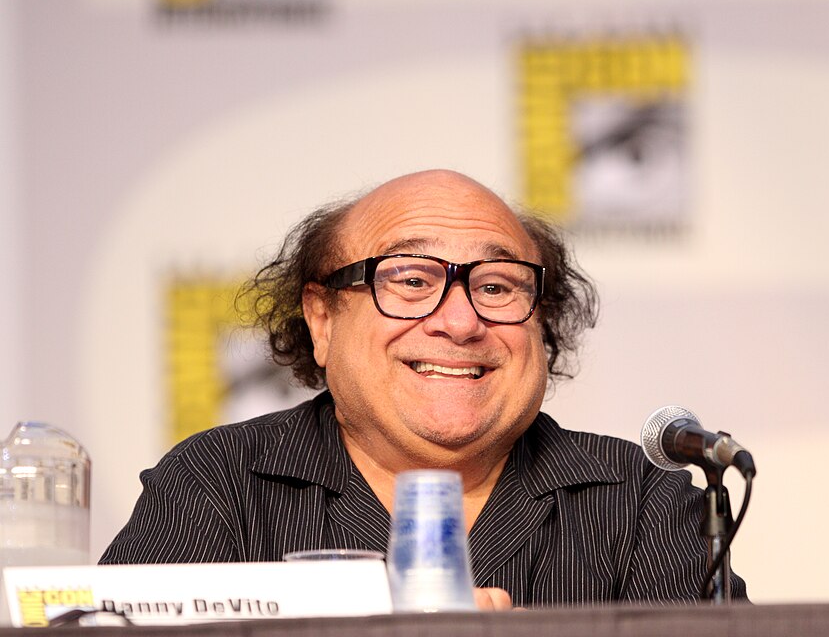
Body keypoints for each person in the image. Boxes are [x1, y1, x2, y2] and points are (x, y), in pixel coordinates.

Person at [100, 169, 747, 607]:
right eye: (411, 281)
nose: (461, 322)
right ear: (322, 320)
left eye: (496, 286)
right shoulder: (219, 484)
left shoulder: (638, 499)